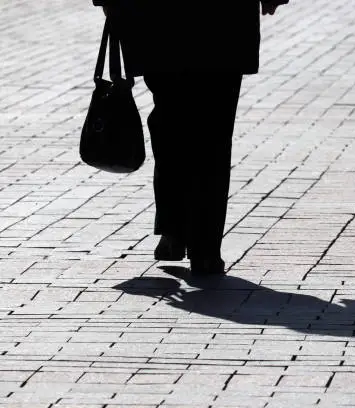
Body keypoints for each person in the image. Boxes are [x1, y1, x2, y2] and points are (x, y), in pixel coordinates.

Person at [91, 0, 289, 274]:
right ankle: (205, 248)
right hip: (222, 21)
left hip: (160, 19)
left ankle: (174, 230)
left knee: (169, 124)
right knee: (214, 133)